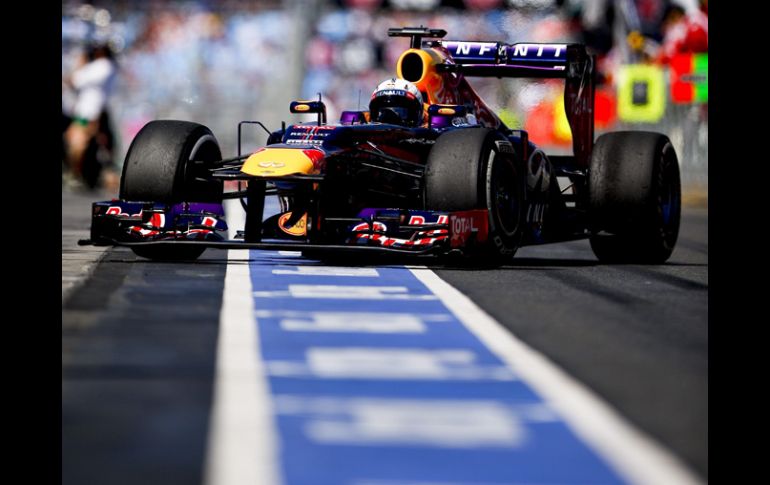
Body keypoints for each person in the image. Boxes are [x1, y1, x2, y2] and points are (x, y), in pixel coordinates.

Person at [63, 43, 118, 190]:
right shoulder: (106, 66)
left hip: (89, 114)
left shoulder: (103, 65)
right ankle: (82, 175)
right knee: (94, 146)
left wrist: (81, 63)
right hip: (90, 112)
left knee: (77, 143)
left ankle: (75, 175)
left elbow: (74, 81)